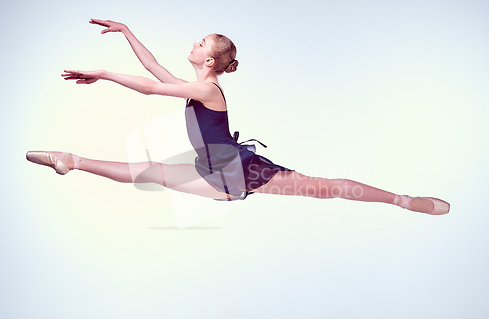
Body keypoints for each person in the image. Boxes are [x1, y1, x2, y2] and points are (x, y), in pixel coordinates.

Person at [26, 19, 450, 215]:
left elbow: (153, 87)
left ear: (209, 59)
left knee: (327, 188)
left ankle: (404, 201)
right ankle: (71, 160)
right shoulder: (195, 86)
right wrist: (127, 32)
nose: (192, 43)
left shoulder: (207, 90)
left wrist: (101, 73)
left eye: (199, 41)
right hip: (217, 174)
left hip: (233, 168)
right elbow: (155, 71)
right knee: (150, 172)